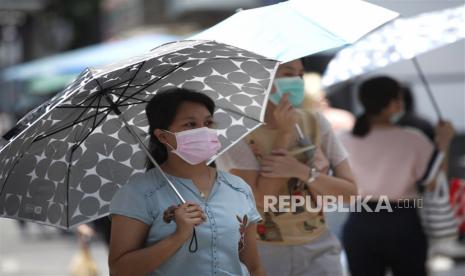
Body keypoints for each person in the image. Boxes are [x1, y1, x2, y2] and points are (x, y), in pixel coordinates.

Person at [216, 59, 357, 276]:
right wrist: (284, 134)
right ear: (260, 79)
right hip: (263, 251)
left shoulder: (315, 122)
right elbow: (262, 198)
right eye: (288, 74)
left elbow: (350, 193)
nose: (297, 81)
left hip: (319, 245)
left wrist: (302, 172)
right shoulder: (235, 133)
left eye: (300, 74)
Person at [108, 88, 265, 276]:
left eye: (208, 123)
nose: (203, 130)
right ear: (163, 136)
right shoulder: (138, 193)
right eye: (190, 124)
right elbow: (119, 271)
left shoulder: (238, 188)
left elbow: (254, 266)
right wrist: (178, 236)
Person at [339, 76, 455, 276]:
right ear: (393, 103)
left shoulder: (343, 139)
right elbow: (432, 182)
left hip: (359, 220)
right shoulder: (411, 139)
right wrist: (444, 142)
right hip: (403, 222)